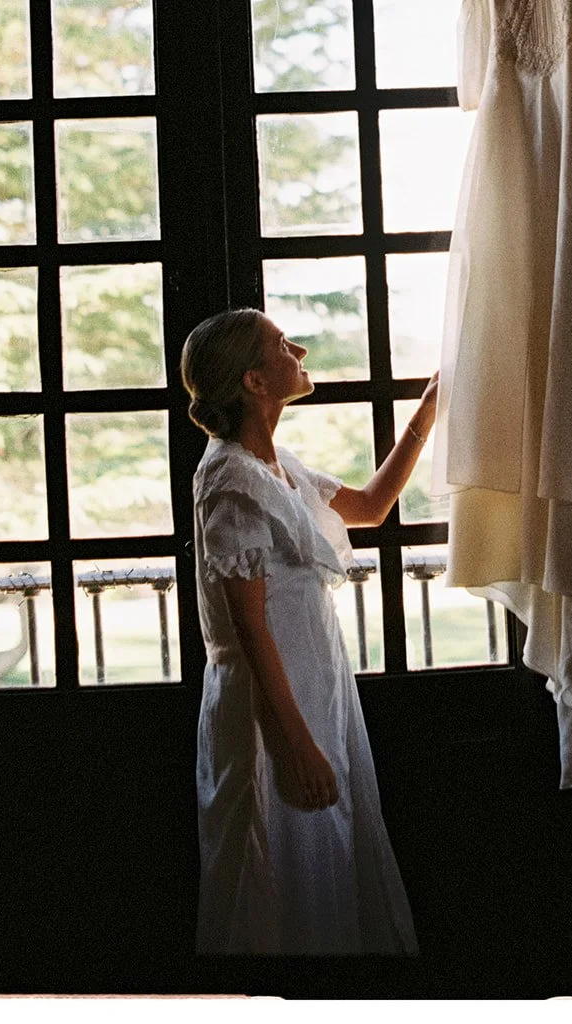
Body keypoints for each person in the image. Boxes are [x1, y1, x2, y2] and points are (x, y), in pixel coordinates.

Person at [180, 306, 435, 955]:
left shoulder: (279, 464)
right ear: (253, 382)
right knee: (274, 873)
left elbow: (372, 507)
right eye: (279, 345)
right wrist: (293, 744)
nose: (299, 350)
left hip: (317, 690)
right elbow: (251, 627)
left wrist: (426, 414)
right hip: (271, 709)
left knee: (327, 861)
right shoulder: (229, 480)